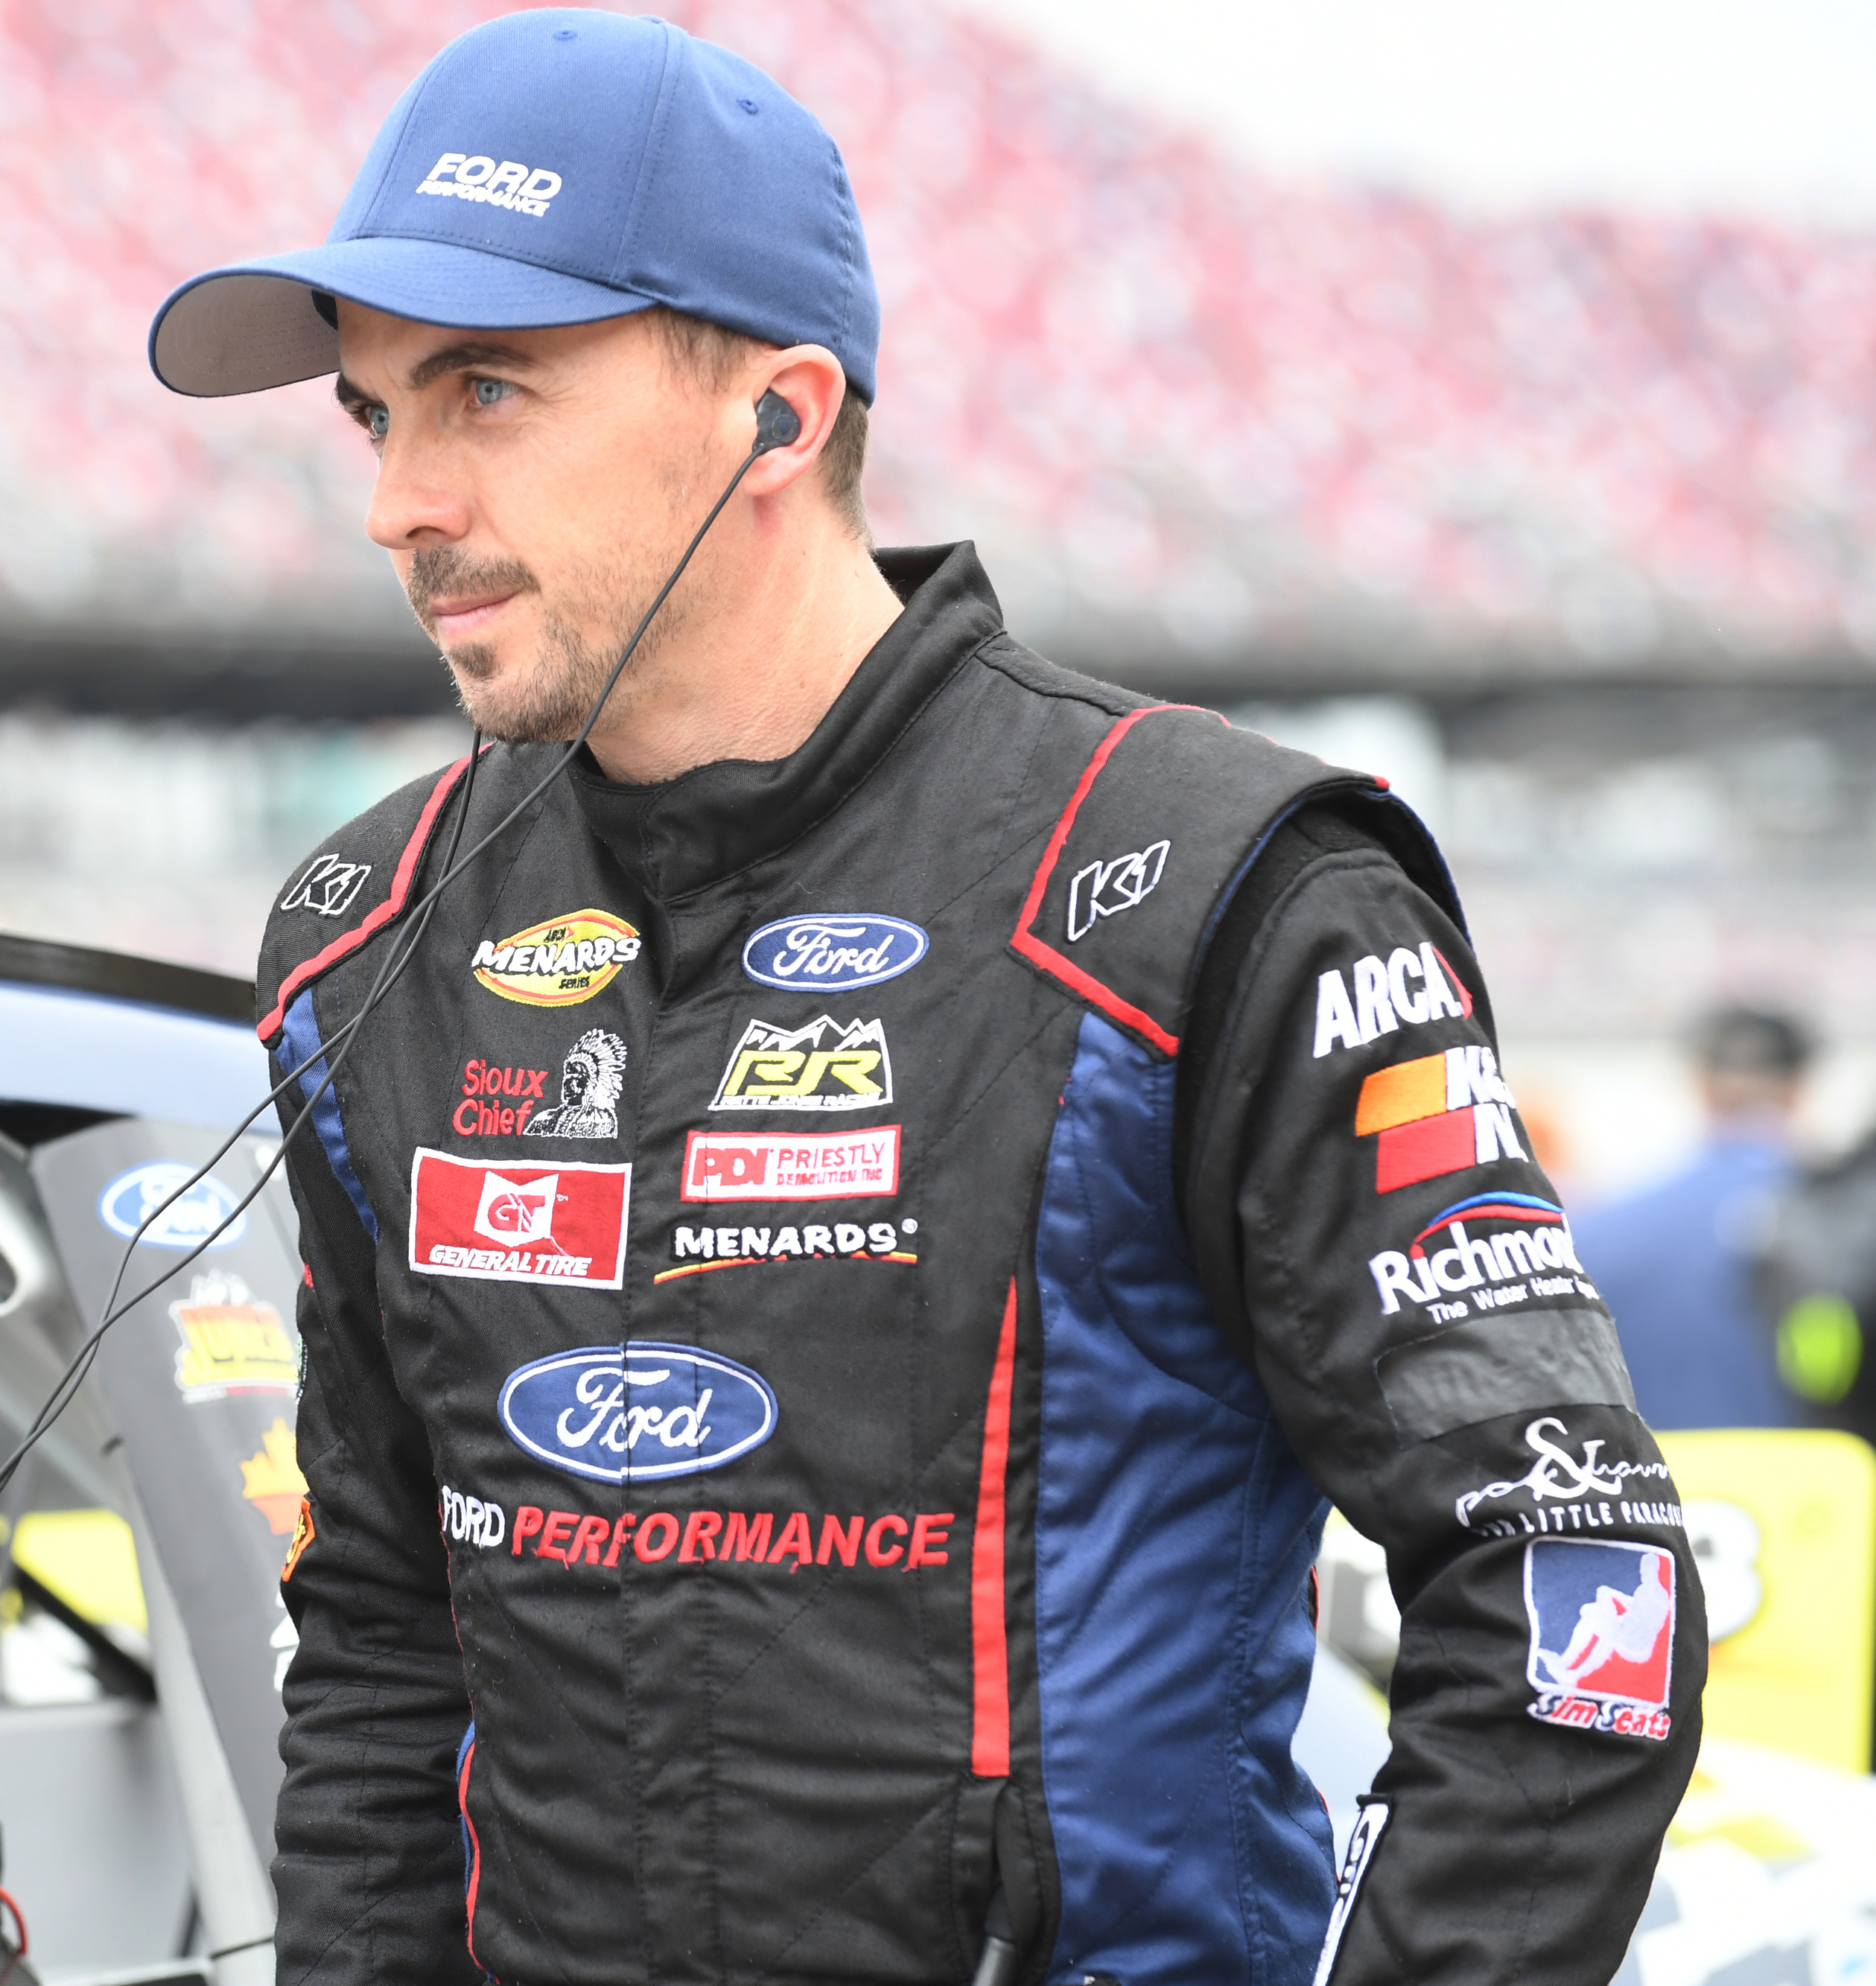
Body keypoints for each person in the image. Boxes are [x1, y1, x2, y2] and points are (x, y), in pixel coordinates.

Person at [150, 14, 1698, 1984]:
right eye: (376, 415)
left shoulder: (1211, 892)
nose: (400, 501)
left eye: (487, 392)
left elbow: (1573, 1571)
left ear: (782, 416)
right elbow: (382, 1626)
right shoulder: (372, 938)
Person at [1577, 1005, 1816, 1428]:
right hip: (1824, 1487)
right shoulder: (1846, 1225)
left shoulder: (1599, 1230)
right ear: (1797, 1089)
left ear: (1702, 1085)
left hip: (1660, 1483)